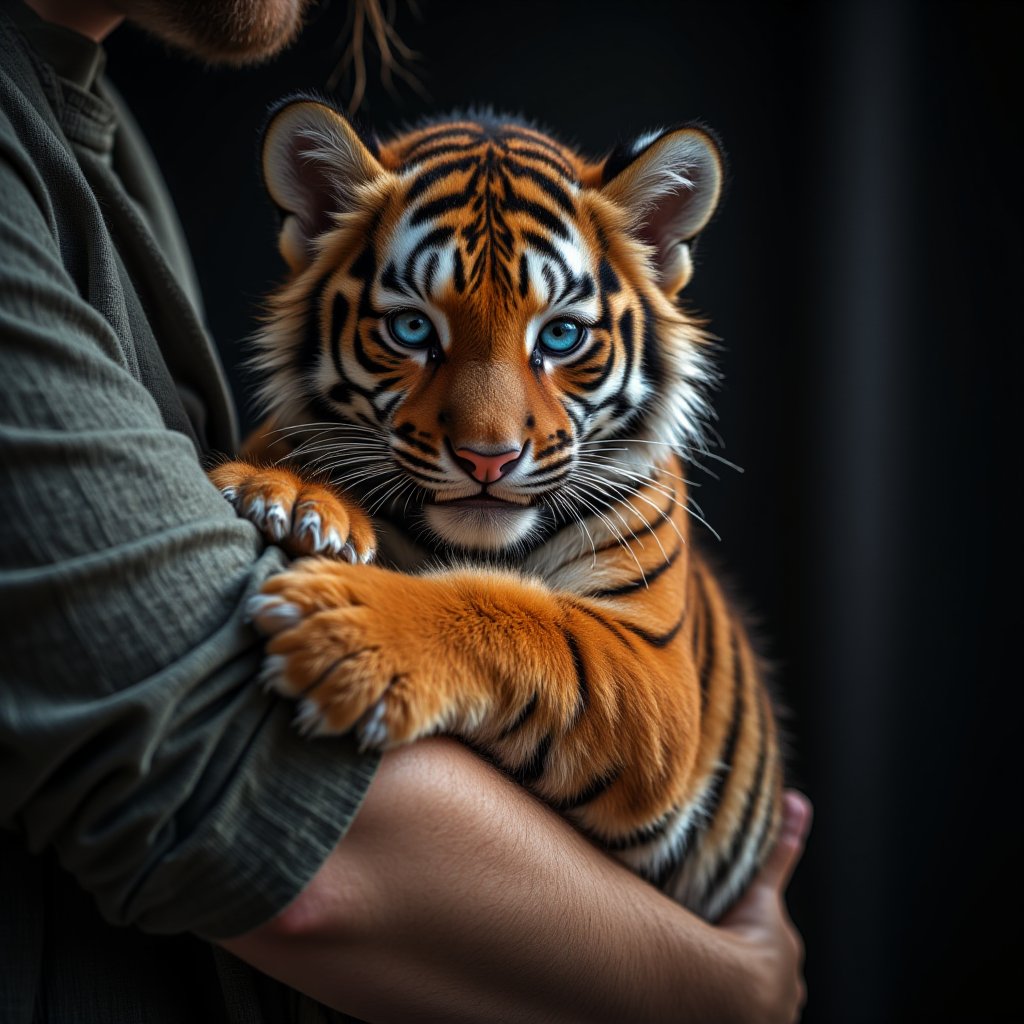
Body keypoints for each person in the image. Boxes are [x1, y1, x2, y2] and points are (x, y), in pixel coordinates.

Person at [0, 0, 811, 1020]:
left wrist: (450, 637)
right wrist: (727, 992)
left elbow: (646, 755)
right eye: (409, 333)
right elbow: (247, 812)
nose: (488, 429)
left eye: (562, 340)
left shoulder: (94, 133)